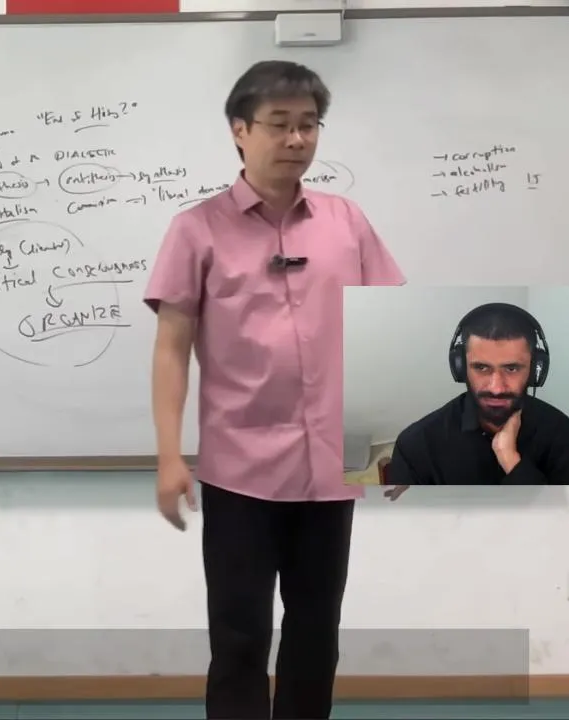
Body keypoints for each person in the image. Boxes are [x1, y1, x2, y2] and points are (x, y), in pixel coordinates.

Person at [145, 61, 405, 720]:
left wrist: (400, 442)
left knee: (317, 634)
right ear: (240, 130)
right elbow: (171, 348)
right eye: (279, 124)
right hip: (241, 471)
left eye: (309, 125)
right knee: (239, 637)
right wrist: (170, 456)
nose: (296, 139)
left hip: (334, 465)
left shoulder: (347, 222)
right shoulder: (196, 229)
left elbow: (390, 331)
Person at [382, 302, 569, 493]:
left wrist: (511, 460)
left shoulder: (558, 429)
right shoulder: (416, 444)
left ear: (535, 371)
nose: (496, 388)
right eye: (481, 367)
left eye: (512, 368)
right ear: (461, 368)